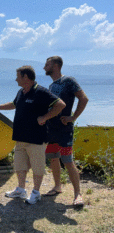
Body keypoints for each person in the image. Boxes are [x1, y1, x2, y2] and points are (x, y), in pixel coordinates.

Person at [0, 65, 66, 204]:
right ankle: (21, 190)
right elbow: (13, 104)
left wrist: (44, 117)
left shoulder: (41, 91)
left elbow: (60, 104)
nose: (16, 79)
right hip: (20, 137)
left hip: (36, 138)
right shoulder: (21, 91)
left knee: (37, 167)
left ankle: (36, 193)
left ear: (25, 77)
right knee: (20, 165)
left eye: (18, 76)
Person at [43, 56, 89, 206]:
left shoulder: (68, 80)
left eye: (47, 64)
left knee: (68, 161)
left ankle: (78, 195)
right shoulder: (51, 86)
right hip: (51, 129)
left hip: (64, 129)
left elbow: (84, 99)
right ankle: (57, 187)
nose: (44, 67)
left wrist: (73, 117)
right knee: (53, 158)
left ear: (55, 65)